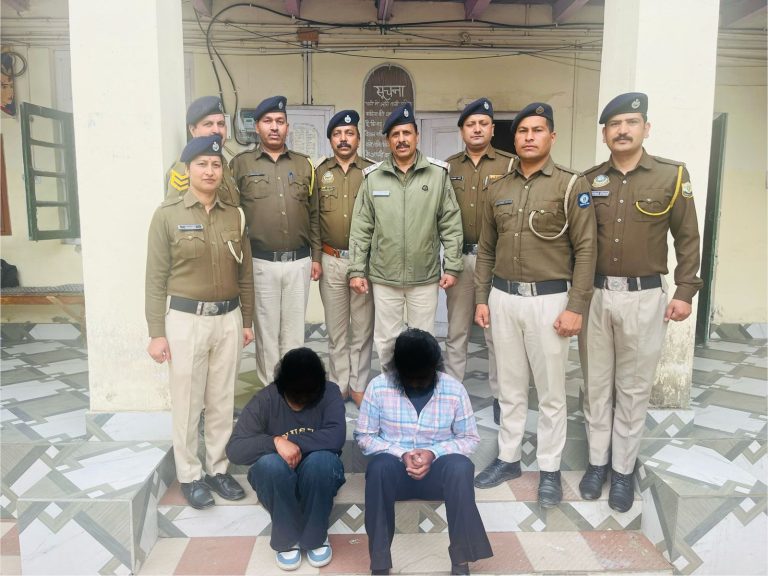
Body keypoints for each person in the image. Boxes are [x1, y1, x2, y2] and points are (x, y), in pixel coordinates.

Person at [579, 92, 702, 512]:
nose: (622, 130)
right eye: (614, 125)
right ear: (604, 134)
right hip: (596, 295)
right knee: (596, 386)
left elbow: (688, 238)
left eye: (631, 122)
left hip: (644, 296)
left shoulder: (671, 176)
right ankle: (597, 463)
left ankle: (623, 471)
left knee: (633, 389)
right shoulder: (589, 180)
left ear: (646, 128)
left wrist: (685, 290)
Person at [472, 103, 596, 509]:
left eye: (537, 130)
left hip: (550, 301)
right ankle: (508, 458)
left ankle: (549, 469)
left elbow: (586, 249)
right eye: (523, 131)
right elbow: (486, 249)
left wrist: (576, 306)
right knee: (508, 388)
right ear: (515, 138)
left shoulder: (570, 184)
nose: (529, 137)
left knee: (550, 393)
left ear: (551, 137)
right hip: (503, 299)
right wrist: (482, 299)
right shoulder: (498, 188)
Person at [145, 135, 253, 509]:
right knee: (188, 402)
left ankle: (218, 469)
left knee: (222, 399)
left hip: (228, 319)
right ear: (188, 169)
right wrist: (156, 333)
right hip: (185, 320)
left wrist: (247, 321)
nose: (210, 171)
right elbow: (155, 279)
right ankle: (190, 475)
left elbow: (245, 274)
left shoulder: (235, 215)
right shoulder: (167, 215)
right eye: (202, 164)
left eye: (216, 164)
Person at [355, 328, 493, 575]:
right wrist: (401, 454)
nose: (417, 382)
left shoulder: (453, 389)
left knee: (461, 467)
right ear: (397, 368)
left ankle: (460, 560)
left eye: (423, 376)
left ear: (435, 366)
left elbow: (470, 438)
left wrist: (433, 453)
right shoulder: (378, 387)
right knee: (378, 468)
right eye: (410, 376)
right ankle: (380, 563)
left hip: (437, 476)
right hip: (396, 474)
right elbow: (364, 437)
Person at [348, 102, 463, 367]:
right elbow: (361, 227)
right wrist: (356, 270)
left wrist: (452, 266)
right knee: (387, 340)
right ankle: (391, 385)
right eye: (395, 135)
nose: (401, 139)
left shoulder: (437, 175)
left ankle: (420, 384)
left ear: (416, 136)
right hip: (384, 276)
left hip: (424, 276)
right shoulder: (374, 178)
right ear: (388, 140)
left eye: (406, 133)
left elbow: (451, 223)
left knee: (424, 340)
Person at [226, 347, 345, 571]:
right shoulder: (266, 398)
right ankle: (286, 538)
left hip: (317, 476)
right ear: (281, 386)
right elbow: (235, 449)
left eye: (307, 399)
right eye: (294, 399)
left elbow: (336, 437)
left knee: (323, 462)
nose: (300, 404)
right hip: (278, 477)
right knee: (268, 465)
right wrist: (275, 442)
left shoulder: (329, 392)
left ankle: (316, 536)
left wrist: (291, 442)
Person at [230, 95, 321, 386]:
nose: (274, 127)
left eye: (280, 121)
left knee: (294, 334)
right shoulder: (240, 165)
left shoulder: (304, 165)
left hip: (298, 262)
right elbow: (232, 216)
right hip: (260, 263)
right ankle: (271, 391)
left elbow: (314, 214)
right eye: (268, 121)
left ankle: (292, 390)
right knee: (267, 333)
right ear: (257, 127)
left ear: (287, 127)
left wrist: (316, 257)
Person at [445, 98, 516, 425]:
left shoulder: (510, 165)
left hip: (496, 261)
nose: (477, 129)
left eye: (483, 124)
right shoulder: (449, 168)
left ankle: (502, 396)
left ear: (492, 129)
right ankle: (452, 395)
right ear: (462, 131)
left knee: (495, 334)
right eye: (470, 125)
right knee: (457, 330)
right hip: (460, 259)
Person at [313, 110, 375, 406]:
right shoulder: (319, 173)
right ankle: (339, 384)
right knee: (336, 329)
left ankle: (358, 384)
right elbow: (313, 219)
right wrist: (316, 257)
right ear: (331, 140)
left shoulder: (372, 171)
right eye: (337, 134)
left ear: (358, 139)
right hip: (331, 260)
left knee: (362, 328)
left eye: (349, 134)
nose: (343, 139)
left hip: (363, 262)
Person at [166, 95, 239, 206]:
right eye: (208, 124)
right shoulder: (185, 166)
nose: (216, 130)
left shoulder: (222, 162)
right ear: (193, 130)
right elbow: (178, 212)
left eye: (221, 124)